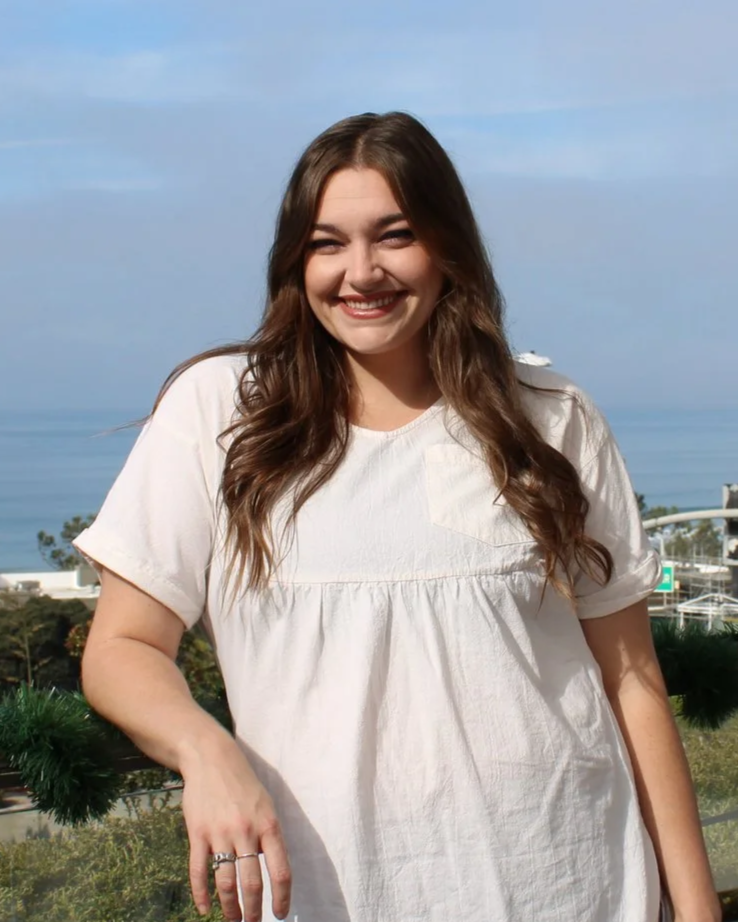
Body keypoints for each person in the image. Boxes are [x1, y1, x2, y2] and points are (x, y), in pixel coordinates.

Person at [75, 111, 720, 922]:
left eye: (395, 235)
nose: (362, 272)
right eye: (327, 243)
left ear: (447, 247)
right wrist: (206, 752)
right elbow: (123, 648)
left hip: (573, 885)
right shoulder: (220, 414)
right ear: (295, 261)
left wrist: (696, 909)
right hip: (325, 897)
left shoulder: (551, 419)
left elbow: (631, 681)